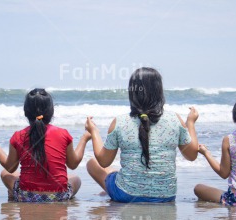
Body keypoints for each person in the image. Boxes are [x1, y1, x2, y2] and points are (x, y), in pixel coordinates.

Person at [85, 67, 199, 203]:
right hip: (166, 196)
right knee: (115, 172)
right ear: (159, 92)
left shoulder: (120, 122)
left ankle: (117, 188)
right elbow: (191, 155)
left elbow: (103, 161)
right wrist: (190, 122)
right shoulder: (175, 120)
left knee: (92, 164)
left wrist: (93, 132)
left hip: (127, 195)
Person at [0, 88, 91, 202]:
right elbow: (73, 164)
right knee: (76, 179)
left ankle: (13, 194)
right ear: (51, 112)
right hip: (59, 196)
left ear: (25, 112)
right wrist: (85, 138)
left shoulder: (18, 136)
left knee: (5, 173)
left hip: (27, 196)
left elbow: (10, 167)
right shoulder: (63, 134)